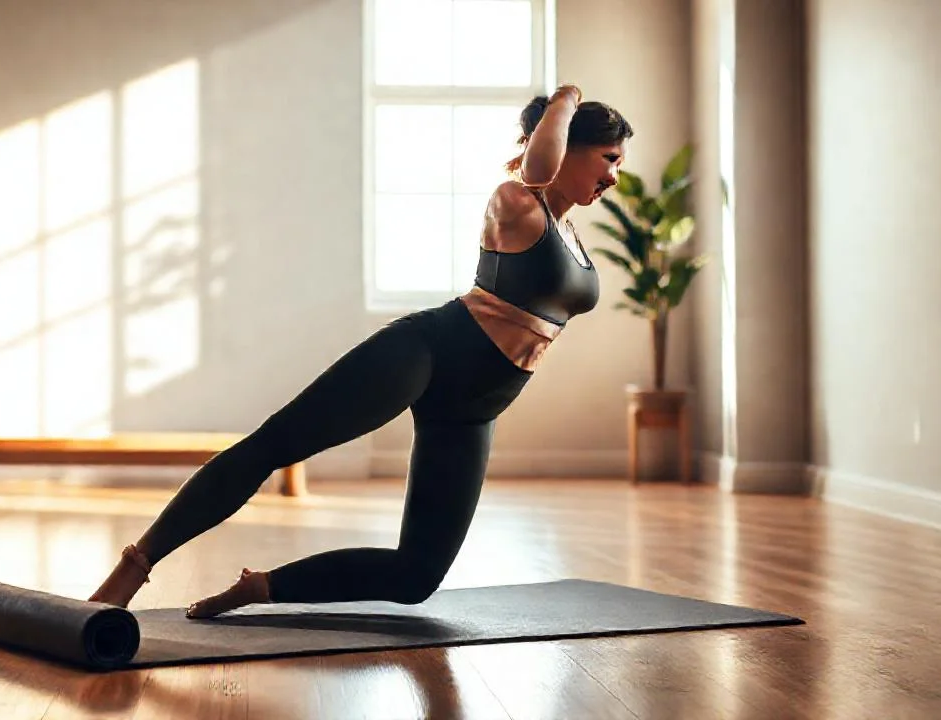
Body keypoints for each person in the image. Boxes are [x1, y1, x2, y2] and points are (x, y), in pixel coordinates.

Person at [88, 84, 633, 618]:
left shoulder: (571, 235)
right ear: (566, 143)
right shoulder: (516, 203)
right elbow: (538, 170)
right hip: (428, 354)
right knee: (273, 446)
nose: (613, 176)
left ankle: (261, 588)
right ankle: (132, 570)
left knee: (416, 577)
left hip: (475, 408)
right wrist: (566, 96)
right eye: (608, 158)